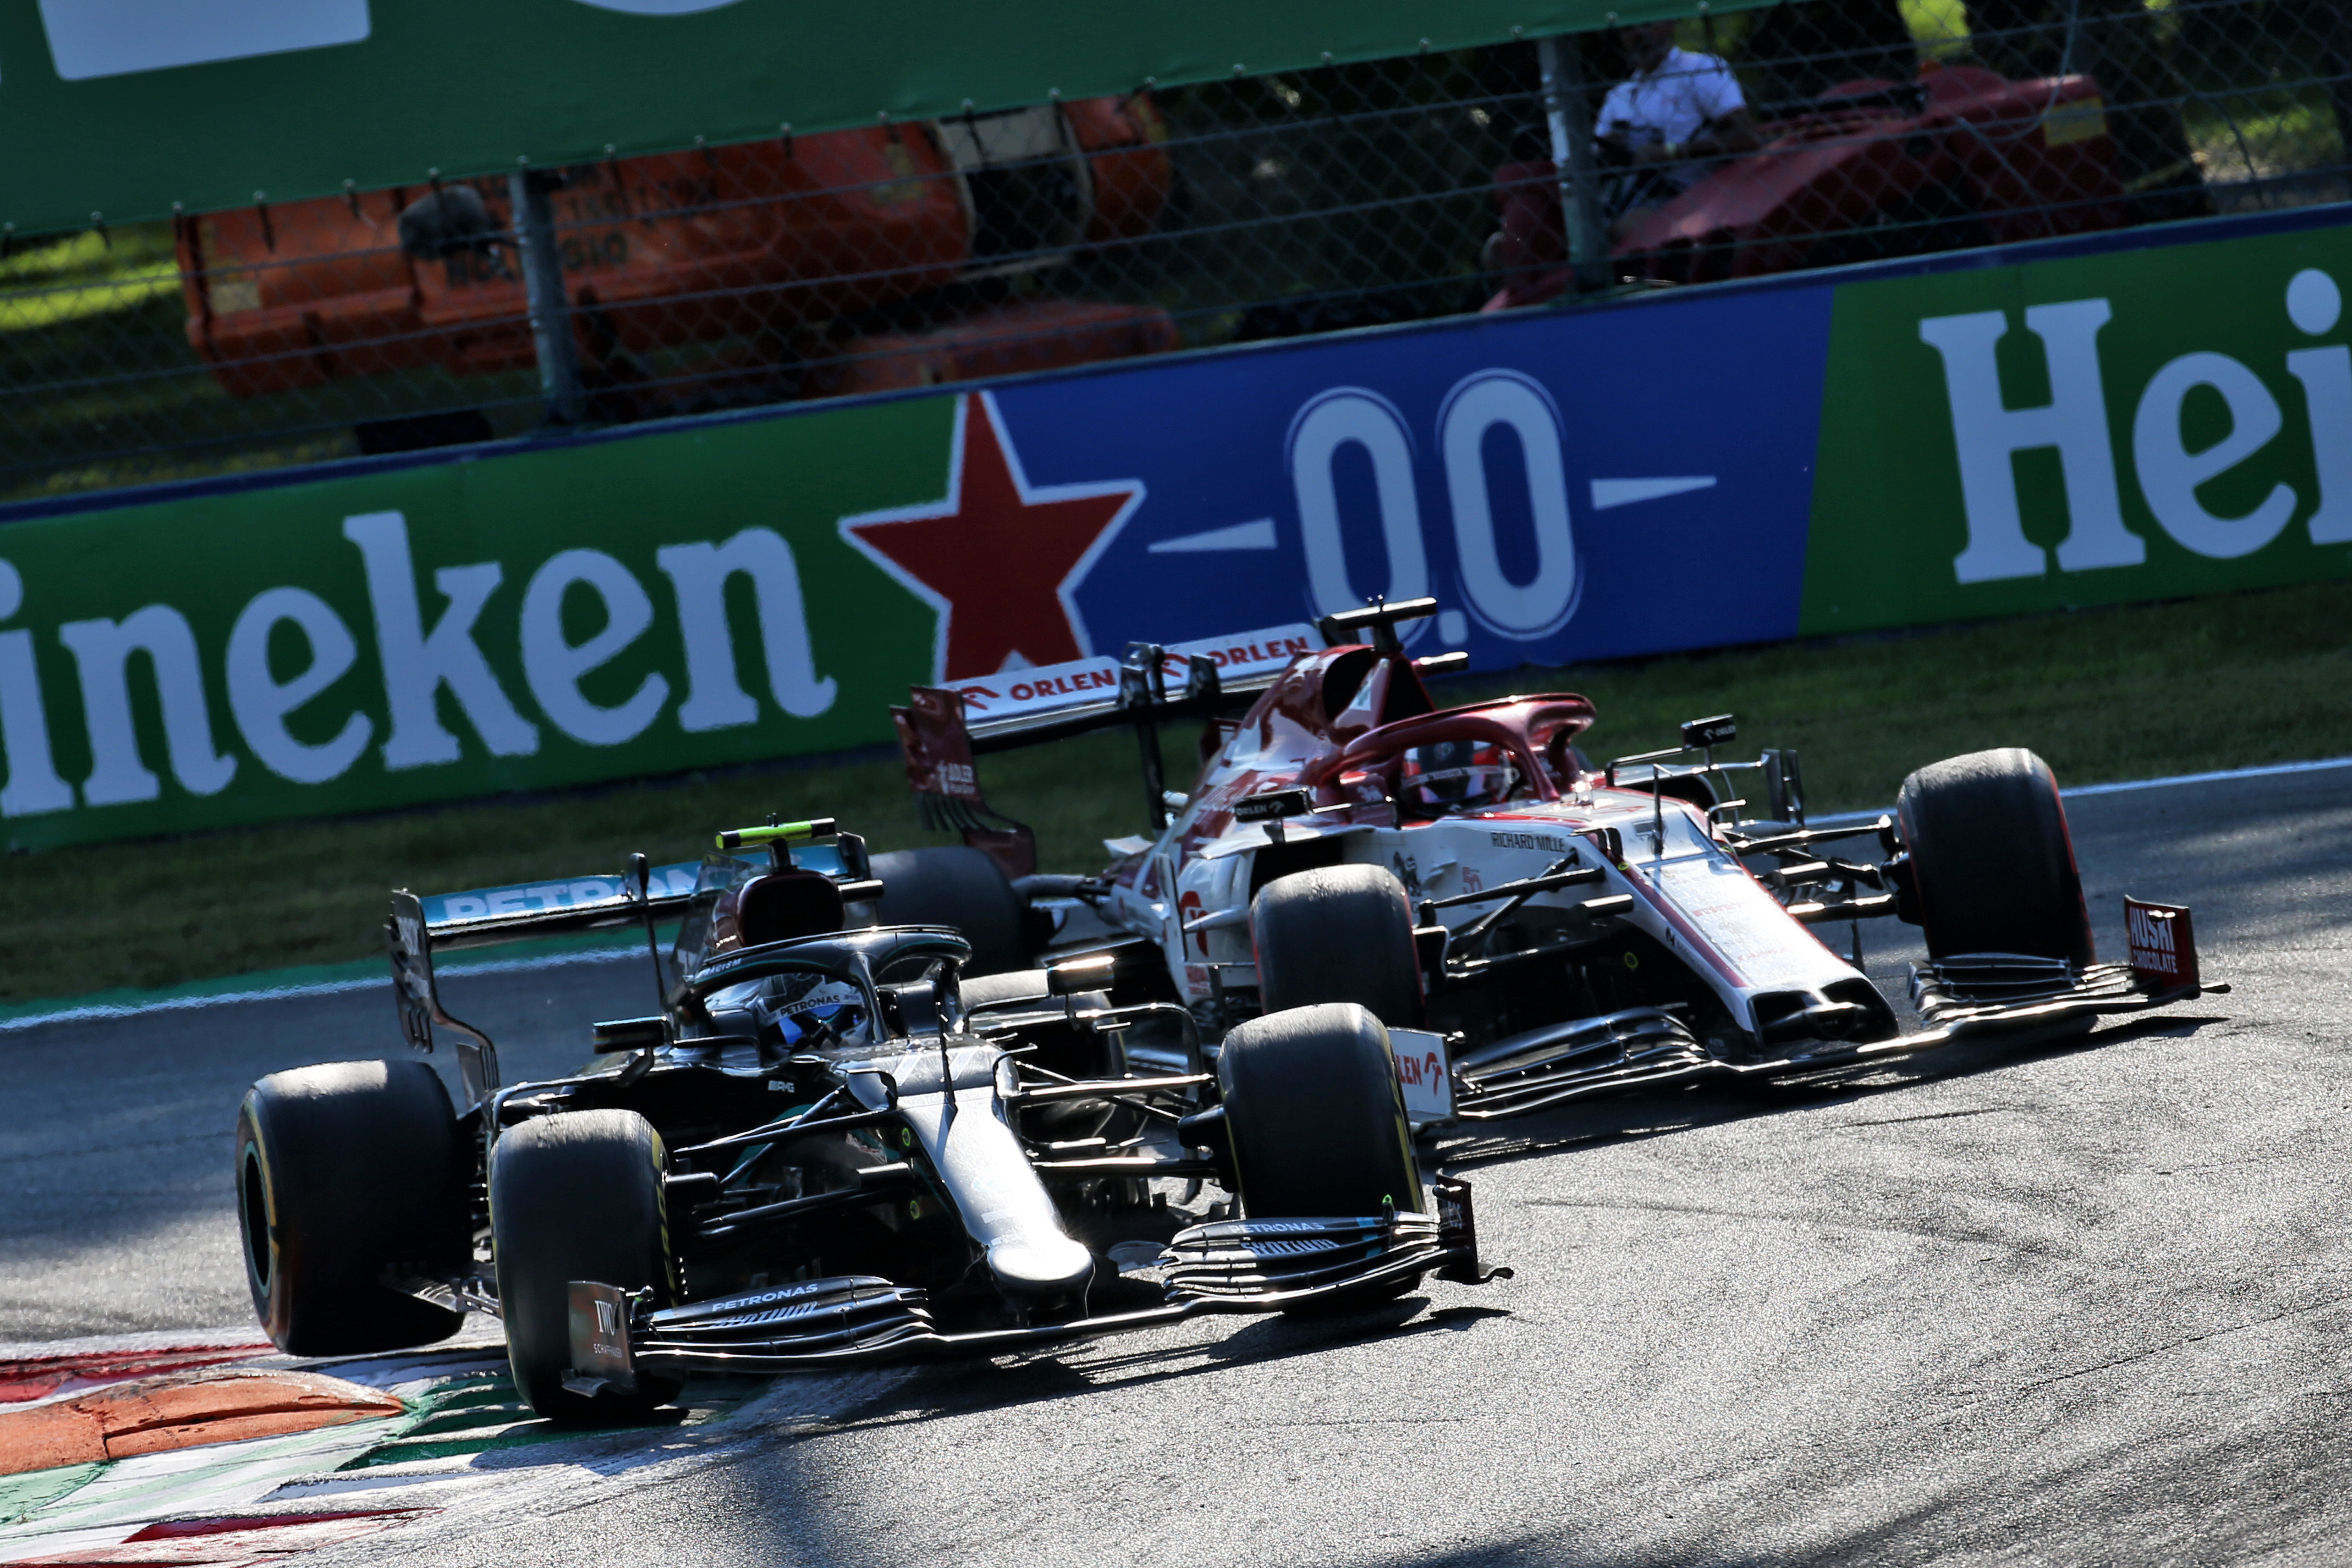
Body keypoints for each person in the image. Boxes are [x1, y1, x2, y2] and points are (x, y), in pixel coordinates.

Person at [1595, 20, 1761, 235]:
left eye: (1647, 24)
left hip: (1697, 193)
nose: (1638, 33)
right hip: (1630, 194)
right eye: (1628, 28)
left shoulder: (1700, 69)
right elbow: (1596, 155)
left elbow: (1747, 138)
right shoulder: (1620, 96)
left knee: (1620, 230)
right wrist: (1612, 150)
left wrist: (1671, 152)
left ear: (1670, 23)